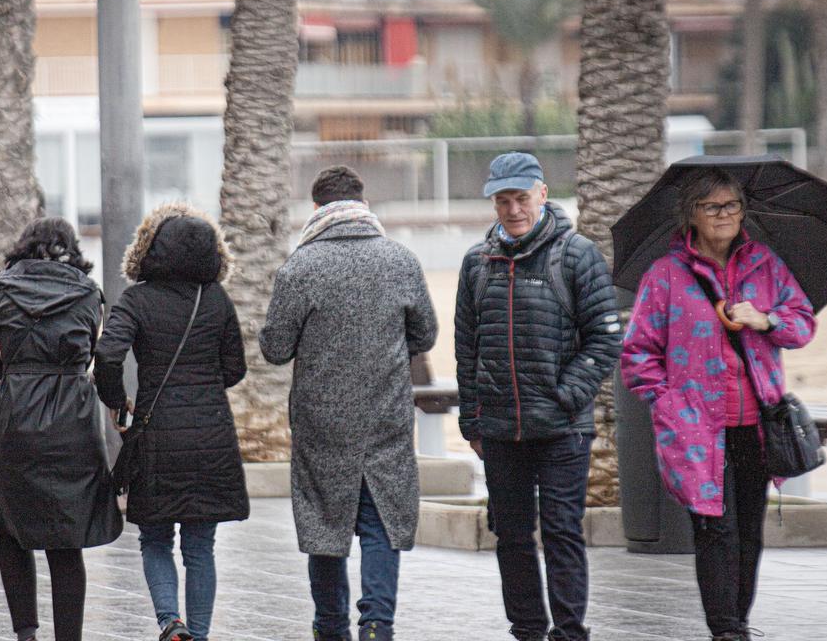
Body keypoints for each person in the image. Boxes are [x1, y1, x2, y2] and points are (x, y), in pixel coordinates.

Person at [622, 167, 816, 641]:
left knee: (749, 532)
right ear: (692, 215)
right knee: (715, 530)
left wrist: (765, 319)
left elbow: (803, 324)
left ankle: (739, 620)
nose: (725, 215)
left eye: (731, 205)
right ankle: (725, 629)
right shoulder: (666, 275)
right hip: (694, 428)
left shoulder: (766, 265)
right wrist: (666, 403)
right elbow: (637, 354)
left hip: (757, 424)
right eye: (712, 207)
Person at [260, 166, 437, 641]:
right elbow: (426, 334)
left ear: (317, 209)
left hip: (322, 422)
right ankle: (377, 624)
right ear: (363, 203)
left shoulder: (300, 266)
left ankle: (330, 626)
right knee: (380, 520)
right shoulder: (400, 260)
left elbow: (275, 349)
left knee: (324, 524)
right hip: (386, 416)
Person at [454, 151, 620, 641]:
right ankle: (527, 628)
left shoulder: (577, 254)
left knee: (563, 531)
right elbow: (467, 348)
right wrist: (472, 420)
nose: (513, 209)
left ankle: (569, 631)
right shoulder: (476, 263)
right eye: (503, 200)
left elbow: (606, 337)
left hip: (563, 428)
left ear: (542, 195)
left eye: (521, 198)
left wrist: (567, 394)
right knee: (510, 535)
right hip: (501, 429)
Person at [95, 203, 249, 641]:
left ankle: (171, 622)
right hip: (213, 436)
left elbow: (107, 354)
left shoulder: (137, 299)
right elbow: (234, 369)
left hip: (156, 434)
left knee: (155, 538)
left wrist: (116, 401)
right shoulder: (216, 299)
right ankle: (197, 634)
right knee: (201, 546)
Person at [0, 217, 123, 641]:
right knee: (66, 534)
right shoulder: (87, 294)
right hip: (72, 423)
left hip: (14, 421)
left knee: (11, 527)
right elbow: (93, 355)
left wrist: (19, 365)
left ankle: (25, 634)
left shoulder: (0, 290)